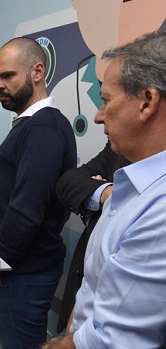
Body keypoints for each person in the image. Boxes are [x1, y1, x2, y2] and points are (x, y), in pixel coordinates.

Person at [43, 30, 166, 348]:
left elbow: (110, 339)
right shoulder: (128, 175)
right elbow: (92, 293)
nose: (98, 116)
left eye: (107, 100)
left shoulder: (159, 208)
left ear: (147, 103)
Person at [0, 37, 77, 348]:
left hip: (20, 274)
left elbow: (27, 208)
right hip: (20, 272)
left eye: (8, 76)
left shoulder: (42, 129)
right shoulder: (32, 126)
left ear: (37, 72)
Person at [55, 134, 129, 331]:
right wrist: (106, 192)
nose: (99, 115)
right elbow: (68, 182)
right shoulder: (118, 148)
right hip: (82, 296)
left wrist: (95, 201)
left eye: (106, 102)